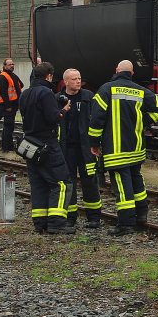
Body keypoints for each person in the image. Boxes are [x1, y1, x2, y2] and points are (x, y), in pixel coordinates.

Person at [88, 59, 158, 236]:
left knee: (122, 185)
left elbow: (96, 119)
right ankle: (141, 216)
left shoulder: (106, 89)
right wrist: (144, 120)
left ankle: (125, 224)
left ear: (116, 70)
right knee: (136, 181)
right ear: (132, 73)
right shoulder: (141, 91)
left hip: (116, 151)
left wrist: (93, 143)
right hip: (136, 149)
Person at [18, 62, 74, 235]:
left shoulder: (25, 94)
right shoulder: (46, 92)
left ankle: (40, 223)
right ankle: (57, 223)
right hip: (47, 145)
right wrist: (63, 110)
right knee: (62, 183)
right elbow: (52, 117)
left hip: (30, 145)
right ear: (49, 76)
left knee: (39, 184)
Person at [58, 67, 102, 229]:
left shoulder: (88, 97)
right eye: (74, 79)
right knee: (68, 182)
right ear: (66, 82)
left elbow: (97, 121)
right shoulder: (58, 99)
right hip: (66, 149)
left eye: (79, 78)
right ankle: (70, 217)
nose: (78, 81)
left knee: (90, 181)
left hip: (86, 149)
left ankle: (94, 217)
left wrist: (96, 143)